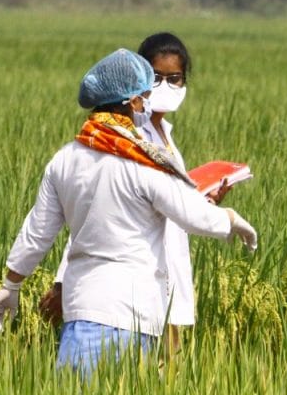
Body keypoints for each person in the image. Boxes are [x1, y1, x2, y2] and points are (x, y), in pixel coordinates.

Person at [0, 48, 257, 377]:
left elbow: (37, 231)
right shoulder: (142, 163)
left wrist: (12, 284)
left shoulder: (65, 158)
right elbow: (192, 215)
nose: (148, 104)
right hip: (134, 312)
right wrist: (230, 220)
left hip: (82, 310)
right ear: (132, 103)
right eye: (145, 96)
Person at [41, 34, 231, 353]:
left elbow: (171, 207)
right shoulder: (124, 139)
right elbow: (95, 212)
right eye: (156, 78)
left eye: (175, 79)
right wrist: (62, 282)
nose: (165, 86)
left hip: (164, 286)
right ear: (139, 81)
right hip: (123, 292)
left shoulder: (165, 139)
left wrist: (205, 205)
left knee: (156, 390)